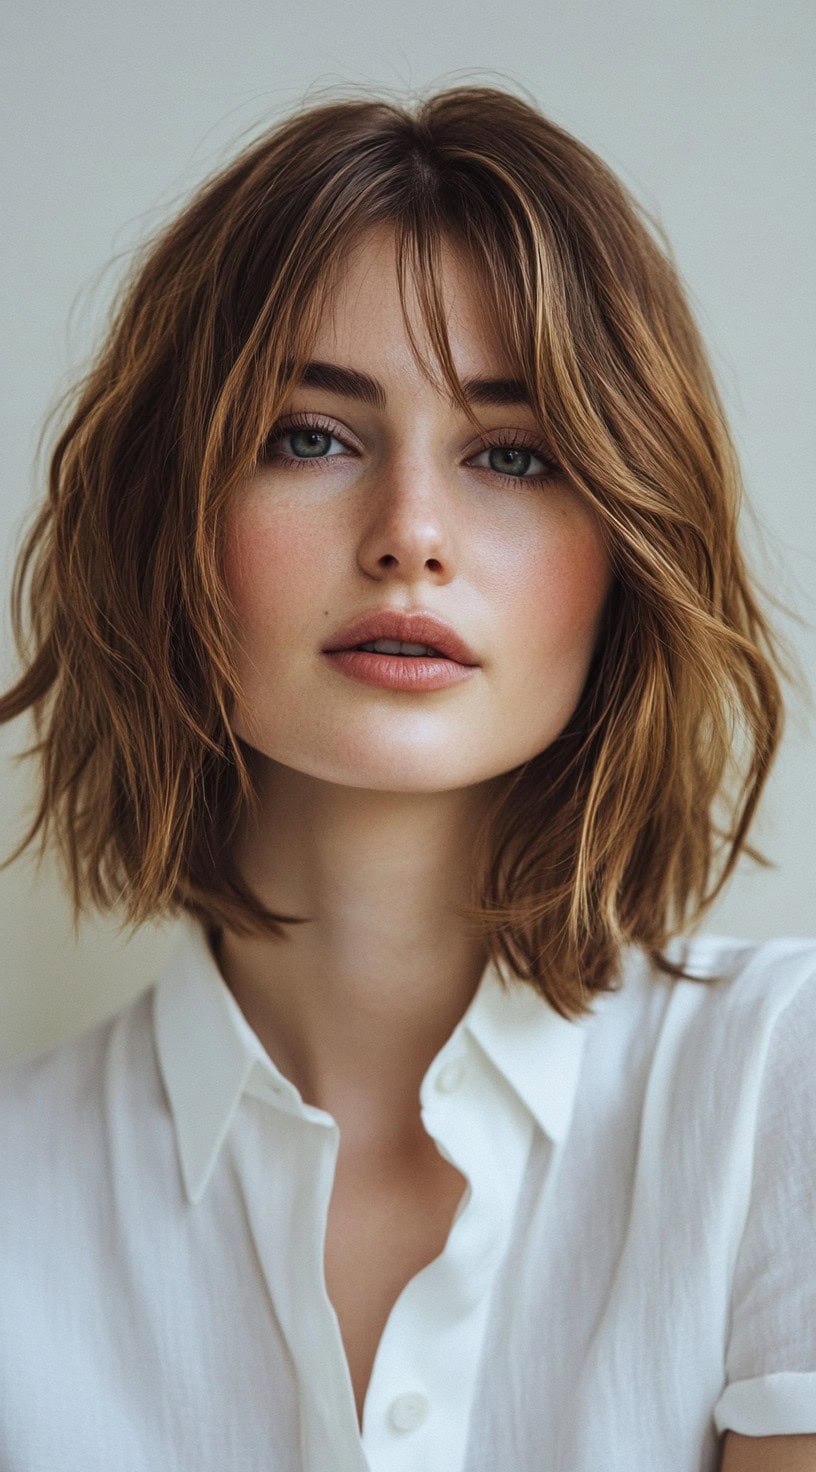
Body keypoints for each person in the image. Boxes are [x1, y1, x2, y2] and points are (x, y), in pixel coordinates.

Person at [0, 81, 813, 1472]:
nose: (412, 535)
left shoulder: (775, 1093)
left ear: (628, 549)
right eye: (311, 435)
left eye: (514, 453)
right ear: (169, 521)